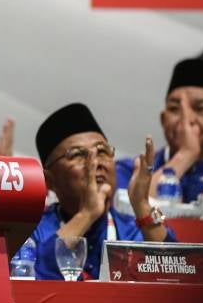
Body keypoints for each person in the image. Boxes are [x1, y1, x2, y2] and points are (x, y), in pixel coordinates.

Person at [25, 103, 175, 280]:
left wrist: (141, 205)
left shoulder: (133, 230)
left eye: (103, 151)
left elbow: (178, 278)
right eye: (78, 155)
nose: (96, 163)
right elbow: (33, 284)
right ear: (49, 180)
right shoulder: (30, 231)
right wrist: (87, 214)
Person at [115, 57, 203, 214]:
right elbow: (127, 214)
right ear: (163, 119)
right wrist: (186, 155)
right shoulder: (128, 171)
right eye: (175, 109)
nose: (186, 119)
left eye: (201, 109)